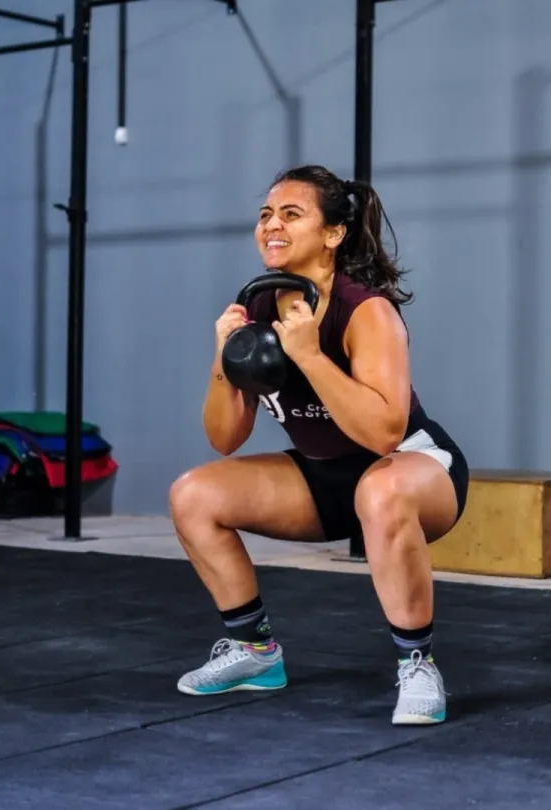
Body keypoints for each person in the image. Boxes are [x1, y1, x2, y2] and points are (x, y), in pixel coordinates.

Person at [169, 164, 469, 725]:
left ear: (332, 234)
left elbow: (383, 434)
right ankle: (254, 653)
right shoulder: (258, 307)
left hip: (412, 469)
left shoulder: (366, 310)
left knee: (380, 491)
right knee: (194, 495)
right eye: (265, 215)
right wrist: (222, 354)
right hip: (326, 477)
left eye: (290, 214)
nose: (271, 226)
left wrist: (308, 355)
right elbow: (224, 438)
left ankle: (418, 665)